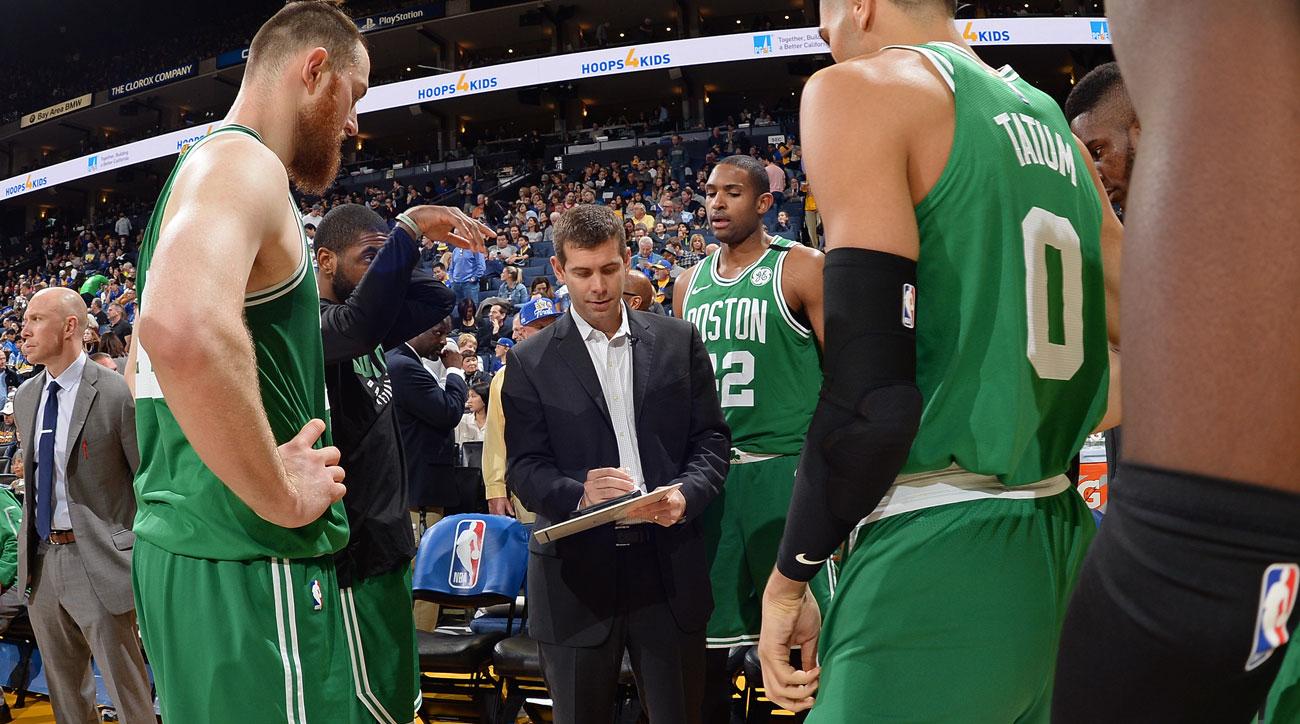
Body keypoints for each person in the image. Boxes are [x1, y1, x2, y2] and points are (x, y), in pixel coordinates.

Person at [758, 1, 1120, 720]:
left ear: (858, 4)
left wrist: (789, 580)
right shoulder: (1054, 122)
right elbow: (1151, 337)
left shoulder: (860, 90)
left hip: (935, 552)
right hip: (1060, 548)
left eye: (824, 19)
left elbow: (872, 400)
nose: (827, 42)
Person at [125, 3, 379, 721]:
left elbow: (139, 359)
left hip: (188, 553)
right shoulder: (244, 163)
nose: (356, 122)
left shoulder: (194, 173)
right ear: (315, 69)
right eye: (355, 95)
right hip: (250, 561)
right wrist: (276, 490)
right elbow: (179, 329)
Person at [1054, 4, 1299, 723]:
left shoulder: (1221, 166)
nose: (1092, 176)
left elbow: (1199, 560)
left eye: (1097, 151)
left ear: (1146, 121)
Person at [503, 204, 730, 723]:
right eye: (582, 273)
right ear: (559, 271)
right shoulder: (529, 362)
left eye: (609, 269)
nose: (598, 286)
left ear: (627, 261)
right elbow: (525, 468)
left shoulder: (679, 342)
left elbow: (712, 442)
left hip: (668, 566)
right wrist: (579, 495)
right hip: (576, 580)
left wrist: (686, 494)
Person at [315, 201, 484, 722]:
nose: (379, 270)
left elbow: (438, 297)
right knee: (365, 704)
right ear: (324, 261)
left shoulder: (370, 327)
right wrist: (409, 231)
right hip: (352, 553)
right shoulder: (314, 330)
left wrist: (400, 250)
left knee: (395, 697)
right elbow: (359, 322)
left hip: (390, 545)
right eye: (369, 256)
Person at [674, 155, 828, 723]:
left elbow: (845, 382)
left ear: (765, 203)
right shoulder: (687, 284)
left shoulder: (803, 268)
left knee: (799, 648)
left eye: (732, 193)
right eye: (710, 192)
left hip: (785, 475)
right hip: (711, 480)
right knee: (709, 655)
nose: (715, 203)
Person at [14, 288, 154, 722]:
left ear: (70, 326)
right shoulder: (24, 397)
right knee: (67, 700)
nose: (24, 329)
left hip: (99, 561)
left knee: (127, 693)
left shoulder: (114, 392)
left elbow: (144, 482)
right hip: (40, 560)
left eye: (37, 319)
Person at [385, 318, 468, 631]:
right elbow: (448, 411)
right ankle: (421, 650)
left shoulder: (399, 361)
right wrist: (456, 370)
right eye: (438, 332)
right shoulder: (403, 366)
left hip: (413, 486)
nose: (444, 342)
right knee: (425, 572)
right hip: (419, 490)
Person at [479, 296, 562, 521]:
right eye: (541, 327)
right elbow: (496, 436)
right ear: (521, 334)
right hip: (530, 488)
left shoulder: (574, 367)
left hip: (575, 482)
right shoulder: (504, 377)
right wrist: (495, 489)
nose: (550, 332)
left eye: (553, 325)